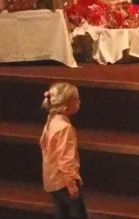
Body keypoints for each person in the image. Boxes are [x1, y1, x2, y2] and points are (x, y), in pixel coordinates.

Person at [39, 83, 88, 219]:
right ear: (66, 108)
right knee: (78, 213)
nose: (80, 102)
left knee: (61, 212)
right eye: (77, 100)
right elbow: (66, 159)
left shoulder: (51, 120)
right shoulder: (65, 128)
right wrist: (72, 185)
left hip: (51, 179)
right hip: (64, 181)